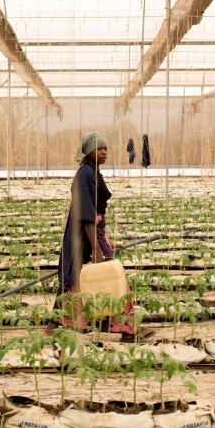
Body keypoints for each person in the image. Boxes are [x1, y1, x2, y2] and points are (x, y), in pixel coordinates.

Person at [46, 131, 152, 342]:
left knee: (82, 281)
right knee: (107, 280)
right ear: (88, 152)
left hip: (91, 235)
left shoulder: (92, 172)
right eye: (99, 148)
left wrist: (104, 239)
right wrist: (95, 246)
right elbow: (86, 212)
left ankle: (53, 327)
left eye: (106, 149)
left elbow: (94, 213)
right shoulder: (85, 173)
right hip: (84, 237)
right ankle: (126, 329)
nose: (104, 152)